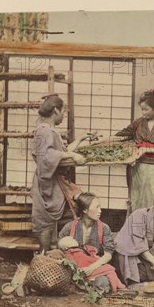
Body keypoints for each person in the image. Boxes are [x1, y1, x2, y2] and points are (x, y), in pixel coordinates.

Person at [31, 94, 89, 251]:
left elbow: (61, 151)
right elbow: (47, 156)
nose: (64, 115)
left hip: (54, 181)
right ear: (56, 110)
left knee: (52, 221)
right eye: (63, 111)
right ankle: (42, 258)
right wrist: (72, 156)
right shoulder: (44, 131)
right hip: (46, 182)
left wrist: (80, 139)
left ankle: (51, 256)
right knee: (45, 221)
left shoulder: (50, 131)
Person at [115, 89, 154, 213]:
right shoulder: (138, 123)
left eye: (146, 109)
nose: (143, 112)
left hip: (153, 166)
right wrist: (103, 140)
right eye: (142, 109)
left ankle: (151, 229)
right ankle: (135, 228)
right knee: (135, 199)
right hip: (136, 166)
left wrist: (145, 149)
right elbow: (123, 134)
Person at [57, 193, 126, 295]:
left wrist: (91, 268)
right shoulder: (70, 227)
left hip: (96, 268)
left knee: (103, 282)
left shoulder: (104, 228)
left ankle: (84, 288)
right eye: (96, 207)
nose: (100, 211)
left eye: (100, 207)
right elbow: (61, 249)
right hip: (75, 270)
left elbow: (108, 254)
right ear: (85, 210)